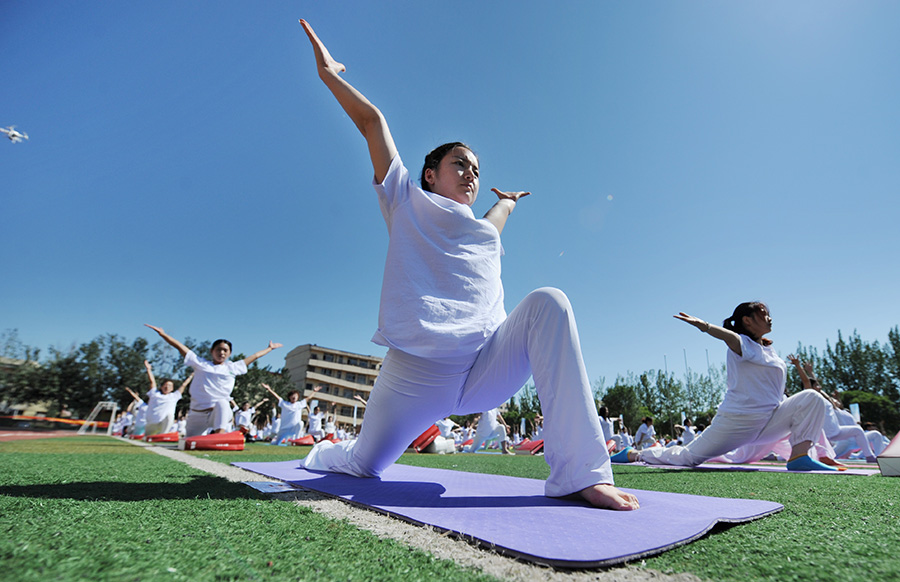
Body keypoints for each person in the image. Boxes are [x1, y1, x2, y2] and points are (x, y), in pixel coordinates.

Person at [296, 20, 637, 510]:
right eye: (460, 164)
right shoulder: (406, 200)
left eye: (476, 168)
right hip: (416, 377)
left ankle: (580, 473)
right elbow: (372, 123)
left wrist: (511, 201)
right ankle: (325, 452)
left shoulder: (482, 232)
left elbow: (497, 216)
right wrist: (330, 75)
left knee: (550, 302)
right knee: (362, 466)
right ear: (431, 174)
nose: (471, 172)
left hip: (484, 369)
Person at [618, 303, 834, 471]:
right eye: (762, 313)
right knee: (688, 458)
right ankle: (635, 454)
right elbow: (729, 337)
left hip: (770, 420)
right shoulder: (741, 344)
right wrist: (705, 327)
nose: (769, 317)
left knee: (812, 398)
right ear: (747, 321)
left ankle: (799, 457)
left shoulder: (770, 350)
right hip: (739, 421)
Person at [145, 324, 282, 437]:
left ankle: (218, 436)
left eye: (225, 350)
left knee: (223, 402)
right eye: (218, 349)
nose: (222, 353)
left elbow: (255, 356)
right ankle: (203, 436)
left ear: (229, 353)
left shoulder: (233, 367)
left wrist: (269, 349)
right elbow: (180, 347)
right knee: (189, 441)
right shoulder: (200, 363)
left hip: (218, 412)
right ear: (211, 351)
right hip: (197, 413)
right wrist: (163, 334)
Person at [141, 360, 193, 436]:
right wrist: (148, 369)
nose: (167, 387)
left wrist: (191, 376)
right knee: (148, 438)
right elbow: (152, 381)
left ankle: (163, 435)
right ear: (162, 387)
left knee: (170, 416)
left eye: (170, 386)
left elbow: (183, 385)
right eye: (166, 385)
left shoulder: (174, 396)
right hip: (151, 423)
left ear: (172, 389)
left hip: (163, 423)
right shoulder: (155, 394)